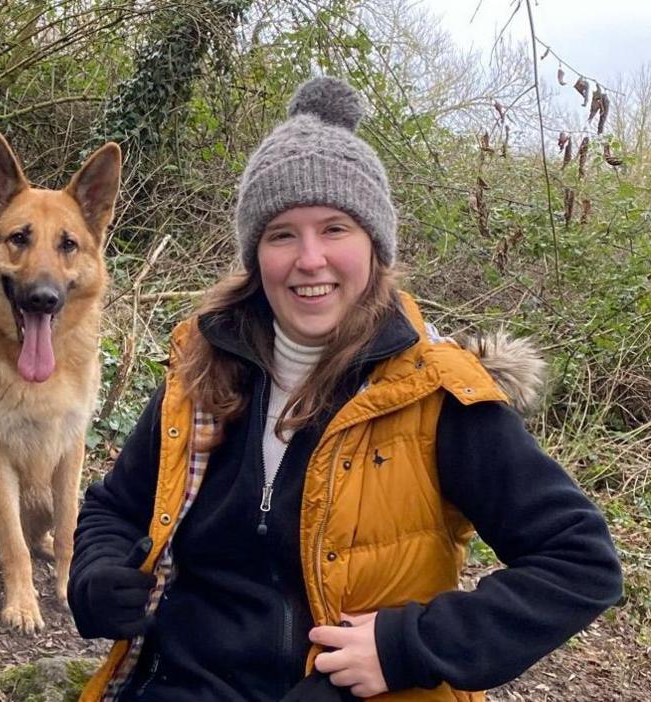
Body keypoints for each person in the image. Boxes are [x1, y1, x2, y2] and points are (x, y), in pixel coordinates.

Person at [68, 76, 623, 702]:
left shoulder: (435, 395)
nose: (310, 260)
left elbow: (580, 563)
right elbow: (114, 507)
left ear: (374, 247)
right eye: (282, 234)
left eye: (335, 228)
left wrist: (406, 647)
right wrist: (94, 574)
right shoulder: (202, 368)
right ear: (256, 256)